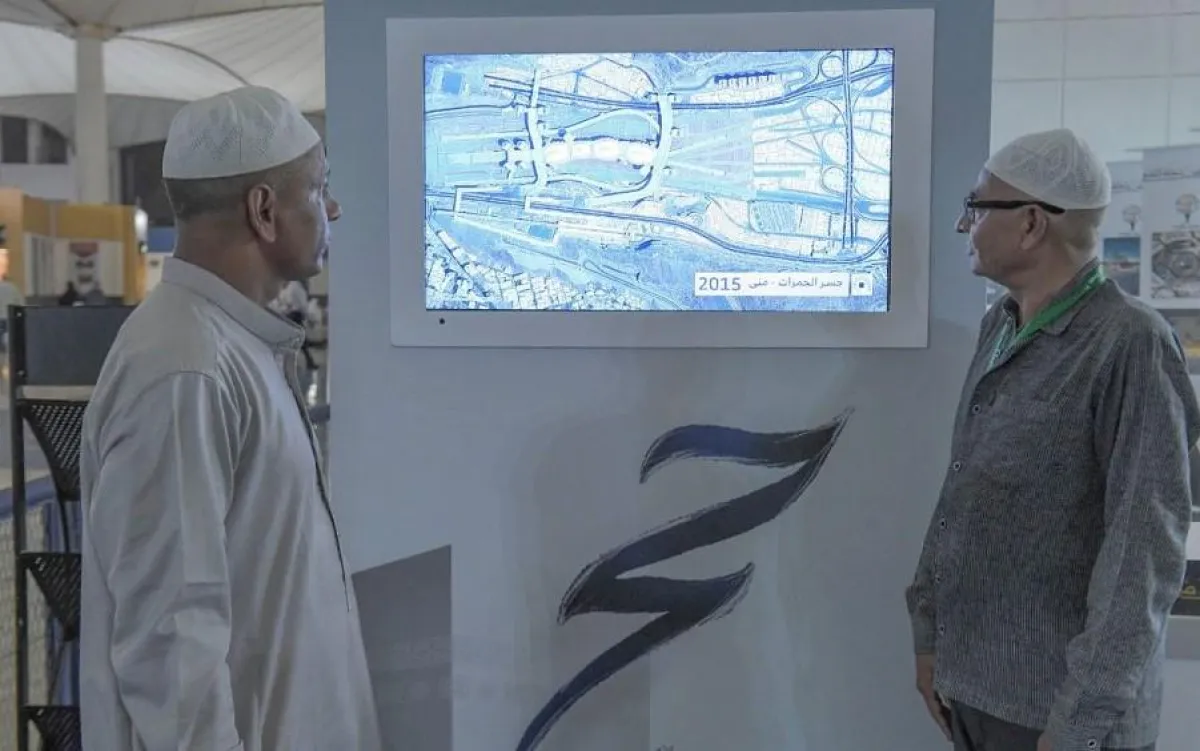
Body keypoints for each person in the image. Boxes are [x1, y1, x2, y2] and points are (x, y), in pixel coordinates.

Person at [79, 86, 381, 750]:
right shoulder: (183, 367)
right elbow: (172, 651)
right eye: (318, 188)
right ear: (264, 210)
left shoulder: (228, 346)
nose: (333, 208)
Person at [905, 128, 1198, 751]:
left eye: (976, 206)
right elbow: (962, 489)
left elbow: (1142, 557)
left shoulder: (1131, 343)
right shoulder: (1001, 324)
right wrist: (931, 635)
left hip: (1057, 716)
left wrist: (1079, 724)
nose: (963, 225)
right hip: (977, 692)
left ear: (1032, 223)